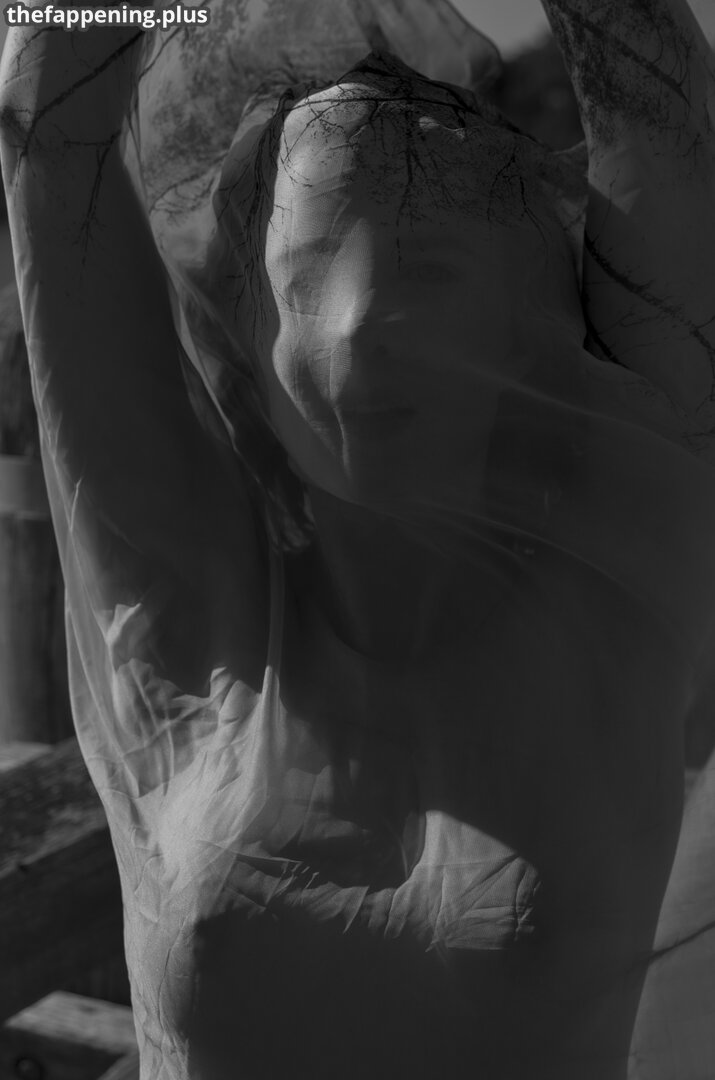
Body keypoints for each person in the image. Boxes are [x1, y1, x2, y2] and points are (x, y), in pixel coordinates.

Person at [1, 1, 715, 1077]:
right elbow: (50, 119)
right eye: (303, 280)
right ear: (251, 336)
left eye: (431, 273)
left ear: (524, 322)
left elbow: (660, 113)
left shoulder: (618, 595)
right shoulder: (192, 623)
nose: (359, 323)